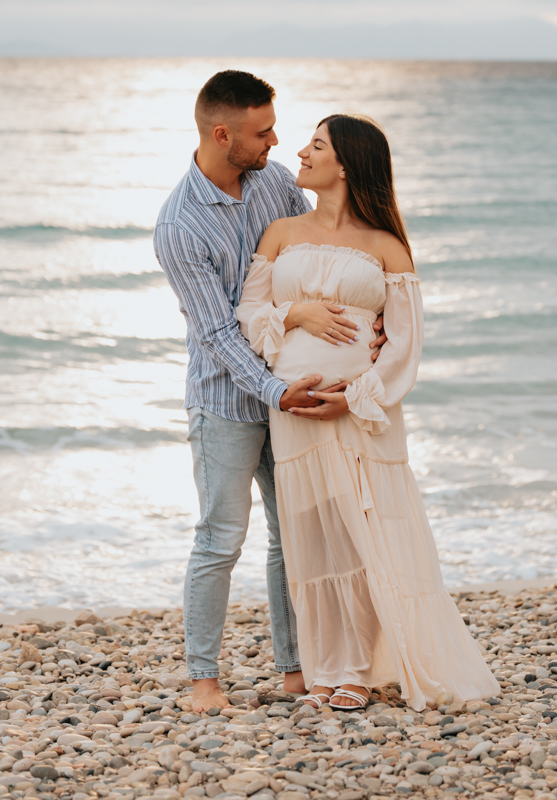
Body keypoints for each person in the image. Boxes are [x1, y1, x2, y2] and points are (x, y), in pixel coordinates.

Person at [236, 114, 501, 711]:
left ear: (347, 164)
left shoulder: (386, 246)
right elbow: (249, 317)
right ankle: (327, 671)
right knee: (313, 542)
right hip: (296, 410)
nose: (301, 152)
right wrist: (295, 317)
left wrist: (354, 396)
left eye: (317, 145)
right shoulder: (279, 234)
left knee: (366, 537)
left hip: (361, 414)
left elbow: (405, 344)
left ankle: (360, 672)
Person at [153, 72, 386, 713]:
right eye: (261, 132)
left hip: (291, 400)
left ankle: (295, 672)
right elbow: (219, 333)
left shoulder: (275, 182)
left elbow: (313, 257)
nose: (276, 140)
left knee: (294, 538)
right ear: (222, 134)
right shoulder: (180, 226)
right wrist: (276, 386)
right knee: (220, 539)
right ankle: (204, 681)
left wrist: (371, 316)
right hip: (229, 403)